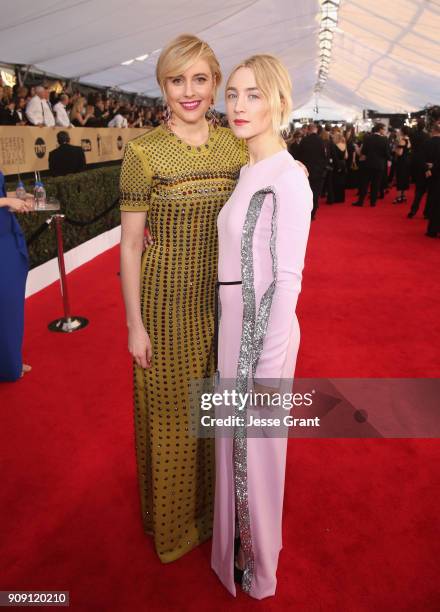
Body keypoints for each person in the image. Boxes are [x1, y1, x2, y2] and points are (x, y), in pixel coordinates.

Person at [118, 34, 247, 564]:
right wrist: (134, 324)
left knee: (218, 411)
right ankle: (172, 526)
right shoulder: (143, 152)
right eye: (177, 80)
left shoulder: (238, 145)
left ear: (216, 84)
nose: (189, 91)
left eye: (200, 79)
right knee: (173, 415)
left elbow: (275, 173)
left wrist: (298, 169)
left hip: (227, 302)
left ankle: (217, 513)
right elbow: (129, 246)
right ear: (163, 87)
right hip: (166, 302)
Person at [212, 54, 312, 599]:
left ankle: (258, 566)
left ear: (278, 101)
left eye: (252, 94)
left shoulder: (288, 179)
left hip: (261, 333)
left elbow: (290, 278)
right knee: (235, 444)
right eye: (232, 94)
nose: (239, 106)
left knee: (259, 450)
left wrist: (267, 362)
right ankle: (236, 551)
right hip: (235, 325)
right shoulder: (249, 169)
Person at [0, 171, 33, 381]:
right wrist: (8, 200)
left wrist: (17, 196)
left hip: (6, 236)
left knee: (10, 306)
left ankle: (11, 361)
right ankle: (9, 365)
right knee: (6, 304)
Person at [352, 123, 388, 207]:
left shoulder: (368, 138)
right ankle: (373, 202)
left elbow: (363, 152)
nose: (384, 131)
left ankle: (360, 201)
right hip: (379, 165)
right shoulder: (385, 139)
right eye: (383, 129)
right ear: (380, 129)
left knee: (364, 183)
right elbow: (386, 153)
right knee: (376, 184)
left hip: (368, 164)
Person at [297, 121, 326, 219]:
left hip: (305, 172)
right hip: (318, 172)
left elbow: (299, 156)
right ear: (316, 130)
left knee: (305, 192)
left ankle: (304, 213)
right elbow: (324, 157)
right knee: (315, 193)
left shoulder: (304, 141)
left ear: (308, 130)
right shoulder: (321, 141)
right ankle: (312, 214)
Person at [408, 119, 430, 218]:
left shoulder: (412, 135)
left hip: (415, 159)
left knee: (419, 190)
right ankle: (427, 212)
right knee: (430, 191)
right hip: (426, 163)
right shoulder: (427, 136)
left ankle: (413, 210)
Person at [424, 121, 440, 238]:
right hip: (436, 174)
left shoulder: (428, 142)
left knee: (435, 202)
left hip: (436, 176)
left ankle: (433, 229)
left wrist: (430, 169)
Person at [393, 126, 412, 203]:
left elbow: (400, 153)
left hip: (402, 161)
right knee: (405, 178)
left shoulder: (402, 141)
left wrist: (395, 149)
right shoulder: (408, 139)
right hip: (407, 161)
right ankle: (403, 196)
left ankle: (398, 197)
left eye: (400, 130)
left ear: (402, 132)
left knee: (400, 178)